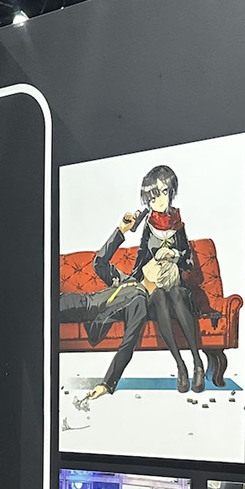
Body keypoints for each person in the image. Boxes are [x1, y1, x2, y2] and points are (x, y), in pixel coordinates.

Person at [60, 165, 207, 400]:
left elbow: (127, 345)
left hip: (163, 295)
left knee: (170, 294)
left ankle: (193, 365)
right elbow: (99, 263)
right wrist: (121, 230)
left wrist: (107, 384)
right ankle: (182, 366)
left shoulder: (138, 303)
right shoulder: (127, 280)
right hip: (78, 302)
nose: (159, 200)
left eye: (164, 192)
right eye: (153, 196)